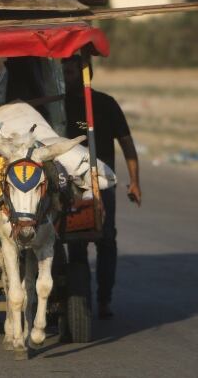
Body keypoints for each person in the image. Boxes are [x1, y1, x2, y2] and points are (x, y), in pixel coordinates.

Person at [62, 55, 141, 320]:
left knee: (106, 238)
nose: (65, 76)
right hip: (70, 184)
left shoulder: (105, 104)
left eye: (70, 71)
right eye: (63, 71)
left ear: (85, 74)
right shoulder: (56, 104)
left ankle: (104, 297)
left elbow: (127, 145)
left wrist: (135, 182)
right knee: (75, 242)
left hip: (101, 183)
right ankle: (78, 296)